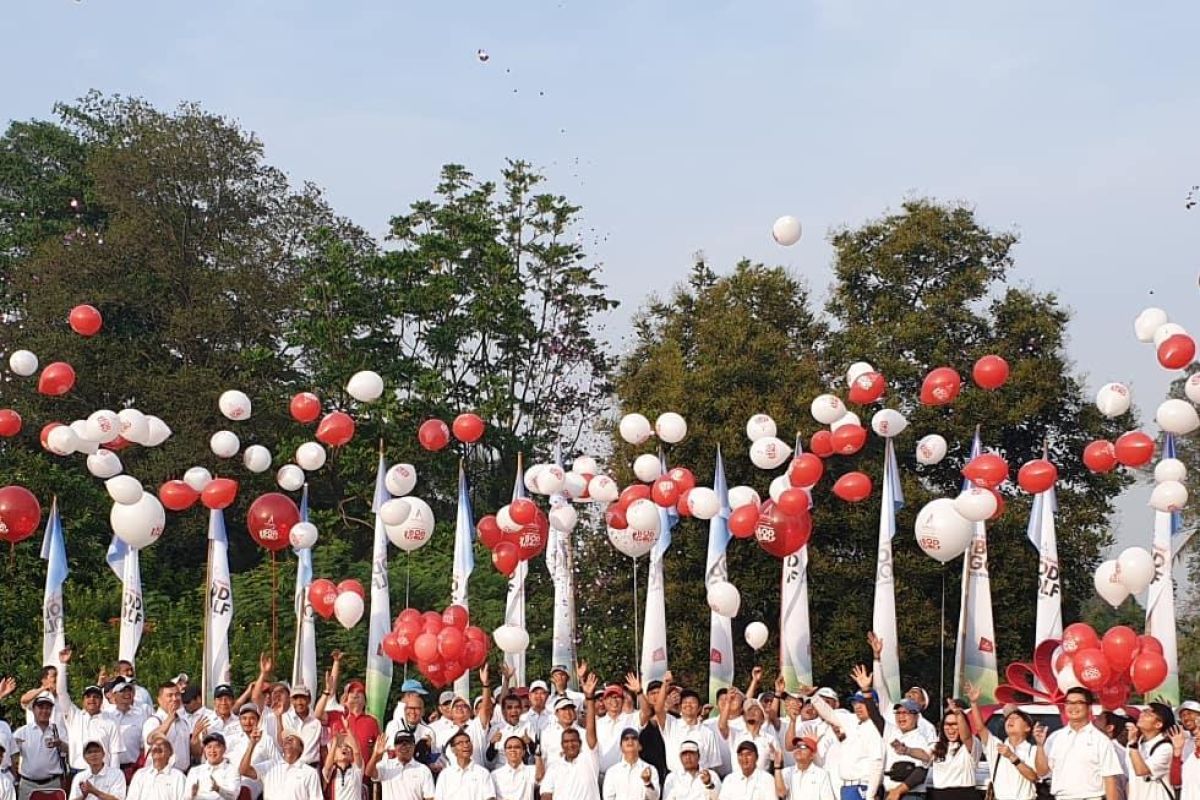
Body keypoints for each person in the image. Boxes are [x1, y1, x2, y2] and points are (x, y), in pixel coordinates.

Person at [810, 666, 884, 800]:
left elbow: (877, 763)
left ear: (874, 704)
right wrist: (813, 697)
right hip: (846, 788)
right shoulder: (851, 720)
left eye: (862, 703)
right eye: (855, 703)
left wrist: (870, 795)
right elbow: (829, 714)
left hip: (863, 787)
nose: (858, 707)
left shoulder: (876, 728)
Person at [1035, 687, 1121, 800]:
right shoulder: (1055, 737)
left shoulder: (1100, 739)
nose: (1072, 707)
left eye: (1079, 703)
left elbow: (1110, 779)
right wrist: (1040, 745)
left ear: (1089, 707)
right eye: (1069, 703)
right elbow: (1042, 772)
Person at [964, 683, 1038, 800]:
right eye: (1008, 718)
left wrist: (1012, 756)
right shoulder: (997, 746)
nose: (1010, 720)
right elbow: (980, 728)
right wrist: (974, 703)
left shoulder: (1033, 750)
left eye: (1016, 718)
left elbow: (1033, 777)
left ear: (1027, 727)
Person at [539, 674, 601, 800]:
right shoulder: (555, 767)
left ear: (580, 743)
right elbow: (546, 792)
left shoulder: (588, 757)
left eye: (574, 741)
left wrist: (589, 698)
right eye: (566, 742)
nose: (570, 744)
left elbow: (591, 728)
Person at [316, 651, 381, 756]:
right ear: (345, 699)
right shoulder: (337, 715)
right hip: (338, 771)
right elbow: (318, 715)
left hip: (364, 771)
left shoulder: (372, 721)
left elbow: (378, 749)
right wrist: (326, 691)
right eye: (351, 692)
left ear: (365, 700)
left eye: (359, 692)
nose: (355, 694)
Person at [655, 676, 721, 776]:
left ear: (699, 708)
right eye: (685, 702)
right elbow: (658, 709)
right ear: (680, 707)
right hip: (675, 781)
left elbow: (713, 764)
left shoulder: (708, 733)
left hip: (701, 780)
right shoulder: (671, 724)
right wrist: (665, 684)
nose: (688, 705)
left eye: (693, 702)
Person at [12, 691, 67, 800]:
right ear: (33, 710)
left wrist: (60, 743)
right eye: (41, 708)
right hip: (28, 785)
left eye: (48, 708)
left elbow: (70, 751)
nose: (44, 711)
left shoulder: (58, 730)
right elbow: (10, 755)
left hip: (53, 784)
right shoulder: (22, 732)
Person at [237, 730, 322, 800]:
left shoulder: (310, 772)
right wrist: (252, 744)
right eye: (286, 738)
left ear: (300, 748)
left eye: (292, 738)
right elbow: (243, 770)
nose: (288, 739)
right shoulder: (270, 765)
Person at [880, 699, 933, 800]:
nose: (901, 716)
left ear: (916, 716)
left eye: (905, 712)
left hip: (911, 795)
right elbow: (876, 718)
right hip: (888, 794)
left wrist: (898, 791)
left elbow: (921, 772)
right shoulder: (891, 733)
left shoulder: (922, 739)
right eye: (898, 713)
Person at [223, 704, 276, 800]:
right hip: (231, 780)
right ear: (239, 720)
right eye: (244, 718)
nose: (247, 722)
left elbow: (276, 762)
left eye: (252, 718)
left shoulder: (266, 739)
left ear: (258, 720)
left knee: (244, 789)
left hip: (253, 780)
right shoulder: (232, 739)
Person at [925, 702, 977, 800]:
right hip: (940, 794)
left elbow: (966, 736)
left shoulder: (971, 743)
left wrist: (958, 714)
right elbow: (924, 755)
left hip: (964, 795)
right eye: (947, 724)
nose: (950, 729)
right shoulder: (937, 745)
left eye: (954, 724)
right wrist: (908, 750)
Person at [1124, 703, 1175, 800]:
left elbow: (1141, 771)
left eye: (1149, 714)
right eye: (1144, 712)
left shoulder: (1165, 747)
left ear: (1158, 724)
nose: (1142, 715)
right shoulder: (1136, 742)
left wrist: (1133, 744)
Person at [366, 730, 435, 800]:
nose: (404, 746)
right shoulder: (386, 765)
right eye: (400, 743)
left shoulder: (423, 770)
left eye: (407, 743)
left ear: (414, 746)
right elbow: (369, 773)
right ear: (395, 747)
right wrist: (376, 754)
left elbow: (429, 797)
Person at [104, 678, 149, 781]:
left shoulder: (141, 714)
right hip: (110, 768)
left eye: (129, 691)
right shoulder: (106, 715)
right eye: (122, 691)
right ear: (114, 695)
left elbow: (144, 744)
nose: (127, 693)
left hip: (134, 768)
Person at [142, 682, 193, 772]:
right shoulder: (153, 721)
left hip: (182, 774)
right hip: (160, 774)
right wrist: (170, 719)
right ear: (159, 700)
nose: (174, 699)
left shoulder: (183, 721)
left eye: (177, 695)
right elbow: (151, 739)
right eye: (170, 695)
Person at [434, 729, 495, 800]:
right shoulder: (445, 774)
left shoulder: (483, 772)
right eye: (460, 743)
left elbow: (490, 797)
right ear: (453, 749)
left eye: (468, 742)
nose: (466, 745)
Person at [601, 729, 659, 800]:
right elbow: (608, 798)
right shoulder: (612, 772)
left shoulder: (650, 769)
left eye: (634, 738)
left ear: (640, 746)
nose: (630, 741)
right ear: (621, 747)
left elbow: (655, 798)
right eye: (626, 739)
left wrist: (647, 782)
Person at [182, 732, 239, 800]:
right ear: (204, 750)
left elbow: (233, 797)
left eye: (217, 746)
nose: (212, 750)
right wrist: (192, 794)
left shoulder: (232, 770)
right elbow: (186, 797)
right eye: (209, 747)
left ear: (224, 749)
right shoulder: (195, 771)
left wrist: (218, 789)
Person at [276, 685, 321, 768]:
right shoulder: (285, 718)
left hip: (312, 767)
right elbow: (281, 742)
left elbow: (323, 749)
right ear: (291, 700)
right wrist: (279, 717)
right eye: (295, 698)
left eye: (303, 698)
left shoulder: (316, 723)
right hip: (291, 767)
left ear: (309, 699)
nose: (299, 702)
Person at [491, 735, 543, 800]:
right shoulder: (495, 775)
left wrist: (537, 754)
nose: (513, 750)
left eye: (517, 747)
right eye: (509, 747)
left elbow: (539, 776)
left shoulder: (531, 770)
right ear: (505, 752)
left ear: (523, 752)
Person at [322, 731, 364, 800]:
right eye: (340, 746)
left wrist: (348, 729)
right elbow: (327, 766)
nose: (344, 748)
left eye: (348, 747)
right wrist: (335, 742)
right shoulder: (331, 771)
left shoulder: (356, 770)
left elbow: (357, 752)